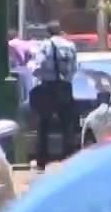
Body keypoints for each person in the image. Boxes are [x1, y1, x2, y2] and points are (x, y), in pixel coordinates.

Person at [30, 21, 80, 168]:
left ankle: (42, 159)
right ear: (60, 31)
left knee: (44, 123)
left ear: (47, 32)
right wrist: (66, 79)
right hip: (65, 87)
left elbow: (39, 65)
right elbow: (74, 68)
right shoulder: (70, 45)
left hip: (48, 86)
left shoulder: (45, 45)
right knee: (67, 124)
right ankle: (68, 156)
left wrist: (37, 74)